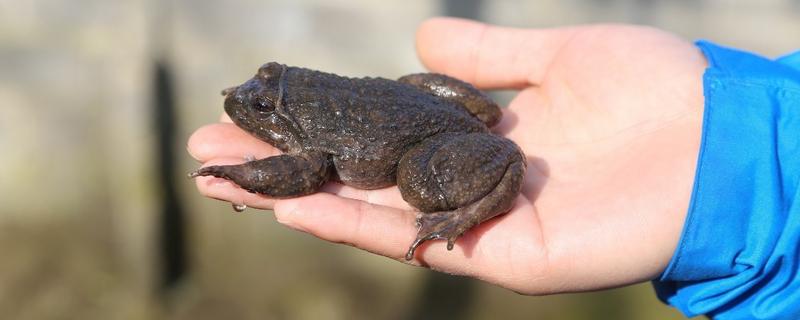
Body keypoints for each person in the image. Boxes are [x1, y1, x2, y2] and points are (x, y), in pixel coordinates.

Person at [188, 17, 799, 319]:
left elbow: (306, 171)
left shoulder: (311, 140)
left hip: (424, 147)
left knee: (419, 186)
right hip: (428, 112)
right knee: (412, 95)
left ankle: (476, 198)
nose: (243, 99)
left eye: (262, 101)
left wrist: (243, 175)